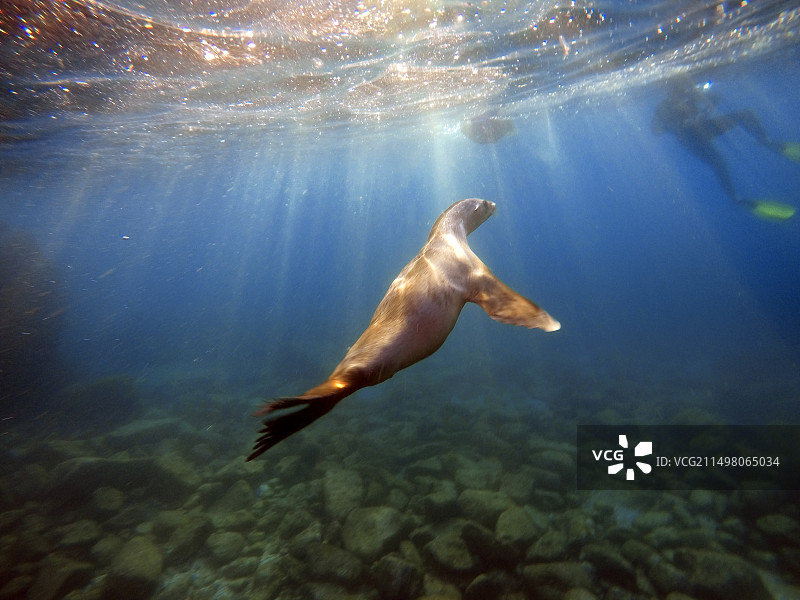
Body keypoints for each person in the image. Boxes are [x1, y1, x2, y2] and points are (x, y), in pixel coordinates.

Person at [652, 77, 798, 220]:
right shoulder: (663, 108)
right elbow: (657, 131)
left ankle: (767, 142)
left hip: (702, 129)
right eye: (675, 89)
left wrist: (701, 100)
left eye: (681, 88)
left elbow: (715, 98)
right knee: (719, 163)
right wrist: (679, 121)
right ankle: (736, 198)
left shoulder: (690, 97)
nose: (679, 92)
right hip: (690, 139)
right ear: (668, 91)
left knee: (746, 115)